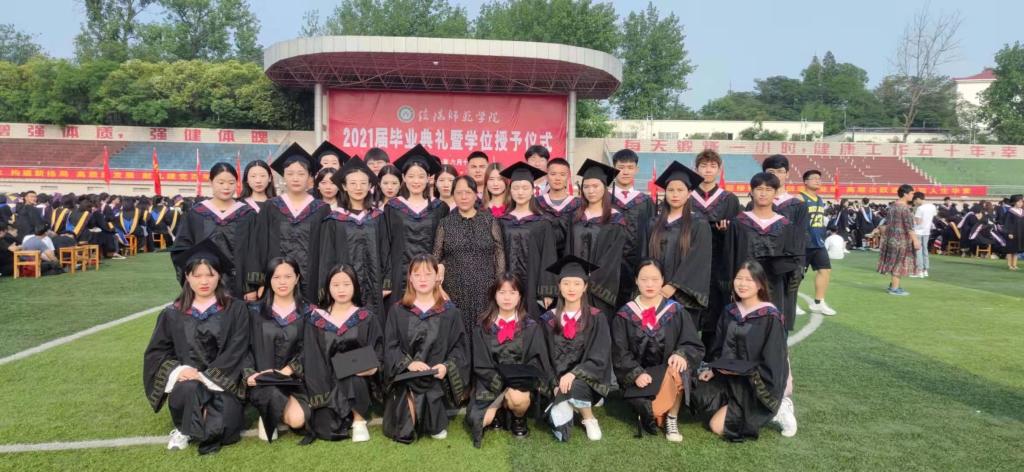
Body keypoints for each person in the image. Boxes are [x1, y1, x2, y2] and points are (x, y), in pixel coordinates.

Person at [143, 238, 250, 454]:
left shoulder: (236, 309)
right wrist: (180, 371)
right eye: (197, 275)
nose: (204, 281)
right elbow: (157, 353)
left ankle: (194, 422)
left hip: (223, 383)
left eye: (210, 275)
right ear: (187, 277)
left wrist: (205, 376)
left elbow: (238, 349)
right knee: (189, 389)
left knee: (224, 430)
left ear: (219, 276)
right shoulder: (172, 313)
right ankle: (185, 427)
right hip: (188, 384)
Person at [692, 260, 790, 442]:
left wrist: (747, 374)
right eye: (739, 278)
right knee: (696, 395)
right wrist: (714, 369)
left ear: (760, 284)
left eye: (749, 280)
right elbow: (719, 346)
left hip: (753, 385)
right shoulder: (730, 311)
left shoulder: (770, 317)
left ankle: (779, 408)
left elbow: (774, 361)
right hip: (727, 378)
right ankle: (727, 404)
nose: (742, 284)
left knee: (717, 426)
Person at [612, 260, 703, 442]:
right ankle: (657, 410)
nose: (650, 284)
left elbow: (692, 344)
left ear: (663, 280)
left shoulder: (676, 311)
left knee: (679, 367)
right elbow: (619, 352)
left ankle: (672, 417)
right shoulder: (625, 314)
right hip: (640, 381)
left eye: (655, 279)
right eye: (644, 279)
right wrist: (636, 373)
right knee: (651, 413)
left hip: (669, 375)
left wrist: (681, 354)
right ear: (636, 281)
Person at [382, 254, 470, 444]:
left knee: (432, 416)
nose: (422, 279)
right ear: (410, 278)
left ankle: (434, 415)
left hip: (437, 379)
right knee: (405, 431)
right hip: (407, 376)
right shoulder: (398, 311)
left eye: (428, 274)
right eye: (417, 274)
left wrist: (446, 367)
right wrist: (409, 364)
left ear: (437, 277)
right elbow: (390, 346)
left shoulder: (450, 312)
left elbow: (460, 349)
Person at [466, 274, 552, 447]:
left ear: (520, 296)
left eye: (512, 292)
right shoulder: (483, 326)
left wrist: (515, 382)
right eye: (502, 292)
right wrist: (501, 384)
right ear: (494, 295)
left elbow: (536, 361)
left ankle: (518, 418)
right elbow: (481, 364)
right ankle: (498, 410)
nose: (507, 298)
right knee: (478, 421)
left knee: (518, 399)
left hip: (519, 384)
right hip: (490, 382)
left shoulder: (530, 327)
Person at [303, 264, 384, 443]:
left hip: (357, 378)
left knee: (352, 377)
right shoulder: (317, 319)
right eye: (336, 284)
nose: (341, 289)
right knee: (328, 430)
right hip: (326, 380)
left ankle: (359, 420)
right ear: (328, 287)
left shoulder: (365, 317)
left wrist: (373, 367)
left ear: (355, 286)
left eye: (346, 284)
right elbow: (312, 357)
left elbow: (377, 350)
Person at [540, 255, 613, 442]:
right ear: (559, 286)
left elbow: (600, 355)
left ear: (585, 286)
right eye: (566, 283)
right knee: (560, 412)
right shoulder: (548, 319)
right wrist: (554, 384)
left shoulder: (596, 318)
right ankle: (566, 400)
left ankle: (589, 418)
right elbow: (542, 357)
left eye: (577, 283)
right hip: (556, 382)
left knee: (574, 386)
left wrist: (574, 374)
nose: (571, 288)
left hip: (585, 379)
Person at [249, 143, 332, 302]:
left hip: (311, 283)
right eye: (290, 173)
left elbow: (326, 252)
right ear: (283, 176)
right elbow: (259, 246)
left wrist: (324, 286)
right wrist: (257, 283)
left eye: (301, 173)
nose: (295, 178)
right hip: (275, 282)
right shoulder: (271, 207)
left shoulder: (321, 209)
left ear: (310, 177)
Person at [724, 173, 802, 332]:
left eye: (768, 189)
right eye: (759, 189)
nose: (763, 193)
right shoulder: (739, 222)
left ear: (775, 192)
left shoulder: (785, 225)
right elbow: (729, 257)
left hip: (775, 286)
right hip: (745, 284)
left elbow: (792, 259)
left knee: (772, 327)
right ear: (751, 192)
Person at [244, 258, 310, 443]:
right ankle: (267, 410)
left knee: (298, 420)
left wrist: (288, 371)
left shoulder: (308, 312)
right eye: (276, 277)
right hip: (262, 380)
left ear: (297, 278)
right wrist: (249, 373)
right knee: (271, 393)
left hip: (293, 379)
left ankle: (273, 410)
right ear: (268, 280)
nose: (282, 282)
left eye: (288, 276)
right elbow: (243, 347)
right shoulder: (253, 311)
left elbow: (311, 349)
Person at [171, 163, 259, 299]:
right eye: (221, 182)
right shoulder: (196, 214)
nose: (226, 187)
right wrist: (194, 280)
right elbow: (182, 250)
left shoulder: (247, 214)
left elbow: (256, 253)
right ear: (211, 182)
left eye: (231, 183)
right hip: (204, 284)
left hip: (240, 286)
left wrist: (252, 286)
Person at [434, 176, 506, 335]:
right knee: (457, 333)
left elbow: (499, 252)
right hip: (454, 290)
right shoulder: (445, 223)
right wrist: (438, 287)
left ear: (475, 194)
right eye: (459, 192)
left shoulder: (489, 220)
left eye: (468, 192)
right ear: (453, 195)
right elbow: (436, 256)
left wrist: (499, 284)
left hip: (485, 290)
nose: (464, 197)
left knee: (483, 332)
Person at [647, 161, 713, 331]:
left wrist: (674, 285)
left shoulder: (699, 224)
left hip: (684, 296)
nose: (675, 194)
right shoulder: (653, 223)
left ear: (689, 193)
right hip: (653, 292)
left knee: (681, 338)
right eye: (670, 190)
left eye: (680, 190)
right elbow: (644, 257)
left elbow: (698, 260)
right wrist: (651, 284)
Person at [319, 157, 387, 320]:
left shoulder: (378, 217)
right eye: (353, 183)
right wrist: (326, 288)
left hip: (375, 286)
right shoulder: (334, 220)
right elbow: (326, 258)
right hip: (343, 289)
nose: (358, 188)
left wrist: (387, 283)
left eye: (363, 183)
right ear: (344, 186)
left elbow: (386, 251)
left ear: (370, 186)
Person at [382, 145, 449, 305]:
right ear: (403, 177)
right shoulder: (393, 207)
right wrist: (387, 280)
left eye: (421, 176)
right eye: (411, 176)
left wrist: (441, 269)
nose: (416, 181)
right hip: (399, 275)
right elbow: (386, 245)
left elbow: (445, 245)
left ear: (428, 178)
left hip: (431, 275)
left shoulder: (440, 208)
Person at [690, 149, 741, 356]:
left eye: (712, 166)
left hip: (718, 264)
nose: (708, 170)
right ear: (696, 169)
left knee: (715, 311)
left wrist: (726, 231)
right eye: (703, 166)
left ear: (719, 169)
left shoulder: (729, 199)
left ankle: (710, 358)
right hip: (691, 264)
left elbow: (738, 232)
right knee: (690, 311)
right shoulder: (686, 195)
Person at [570, 159, 631, 314]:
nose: (590, 191)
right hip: (574, 284)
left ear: (605, 188)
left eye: (595, 186)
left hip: (601, 286)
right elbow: (568, 250)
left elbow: (613, 257)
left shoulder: (615, 219)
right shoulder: (575, 216)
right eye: (586, 186)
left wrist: (589, 280)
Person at [498, 162, 558, 317]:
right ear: (510, 191)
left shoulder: (543, 223)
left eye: (525, 188)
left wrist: (547, 291)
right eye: (516, 188)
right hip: (507, 283)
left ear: (532, 191)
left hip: (533, 282)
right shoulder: (502, 221)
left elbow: (548, 257)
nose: (520, 192)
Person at [760, 155, 809, 319]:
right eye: (771, 172)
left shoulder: (797, 205)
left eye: (780, 171)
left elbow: (800, 238)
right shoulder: (755, 204)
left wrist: (799, 267)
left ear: (787, 174)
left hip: (787, 267)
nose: (776, 176)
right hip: (759, 265)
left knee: (783, 314)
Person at [610, 149, 656, 308]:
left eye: (630, 167)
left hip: (637, 262)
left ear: (636, 169)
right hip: (609, 263)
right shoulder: (604, 199)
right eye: (621, 167)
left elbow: (652, 233)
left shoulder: (645, 201)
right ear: (614, 168)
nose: (625, 172)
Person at [799, 170, 837, 315]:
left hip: (818, 242)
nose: (817, 180)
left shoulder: (820, 199)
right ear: (805, 182)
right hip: (803, 243)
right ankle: (791, 303)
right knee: (797, 275)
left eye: (819, 179)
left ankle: (819, 302)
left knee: (825, 270)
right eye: (814, 178)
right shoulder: (799, 198)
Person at [877, 184, 919, 296]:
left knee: (895, 262)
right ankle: (894, 288)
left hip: (891, 238)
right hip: (901, 240)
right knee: (899, 264)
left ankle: (894, 285)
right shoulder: (905, 209)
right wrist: (916, 240)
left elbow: (886, 223)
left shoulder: (892, 206)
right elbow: (909, 227)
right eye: (911, 193)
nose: (913, 195)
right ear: (905, 194)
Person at [537, 157, 581, 257]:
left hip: (571, 257)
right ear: (546, 176)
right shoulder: (537, 203)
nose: (557, 178)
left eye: (562, 174)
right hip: (542, 256)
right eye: (553, 174)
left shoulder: (578, 204)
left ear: (568, 177)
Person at [911, 192, 937, 278]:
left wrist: (913, 217)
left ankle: (919, 271)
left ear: (918, 199)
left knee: (918, 251)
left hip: (918, 231)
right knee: (925, 250)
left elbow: (918, 222)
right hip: (927, 231)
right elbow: (933, 216)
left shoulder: (920, 208)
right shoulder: (932, 206)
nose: (914, 203)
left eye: (914, 201)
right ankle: (925, 270)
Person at [1000, 194, 1023, 270]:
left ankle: (1015, 265)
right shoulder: (1010, 212)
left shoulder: (1022, 211)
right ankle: (1010, 265)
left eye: (1021, 202)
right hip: (1011, 233)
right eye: (1019, 202)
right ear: (1014, 202)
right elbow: (1007, 224)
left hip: (1019, 233)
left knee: (1016, 250)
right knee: (1010, 250)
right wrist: (1009, 233)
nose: (1021, 203)